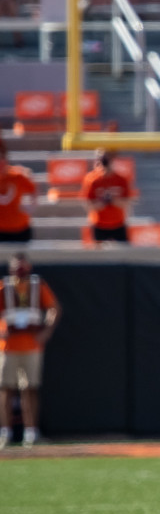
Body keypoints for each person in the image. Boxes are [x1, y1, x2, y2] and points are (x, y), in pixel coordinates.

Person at [0, 253, 58, 449]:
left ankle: (31, 433)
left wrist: (46, 333)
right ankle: (5, 433)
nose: (20, 271)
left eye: (23, 267)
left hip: (32, 345)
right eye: (17, 267)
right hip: (8, 347)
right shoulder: (4, 287)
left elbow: (54, 308)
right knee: (6, 389)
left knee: (30, 389)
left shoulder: (37, 285)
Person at [82, 150, 134, 243]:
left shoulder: (121, 179)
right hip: (99, 223)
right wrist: (102, 202)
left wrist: (113, 200)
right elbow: (88, 205)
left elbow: (127, 203)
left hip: (118, 223)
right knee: (98, 254)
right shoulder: (92, 179)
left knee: (125, 253)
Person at [0, 142, 37, 243]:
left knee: (20, 257)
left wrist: (31, 205)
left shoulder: (17, 176)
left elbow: (33, 189)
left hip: (19, 227)